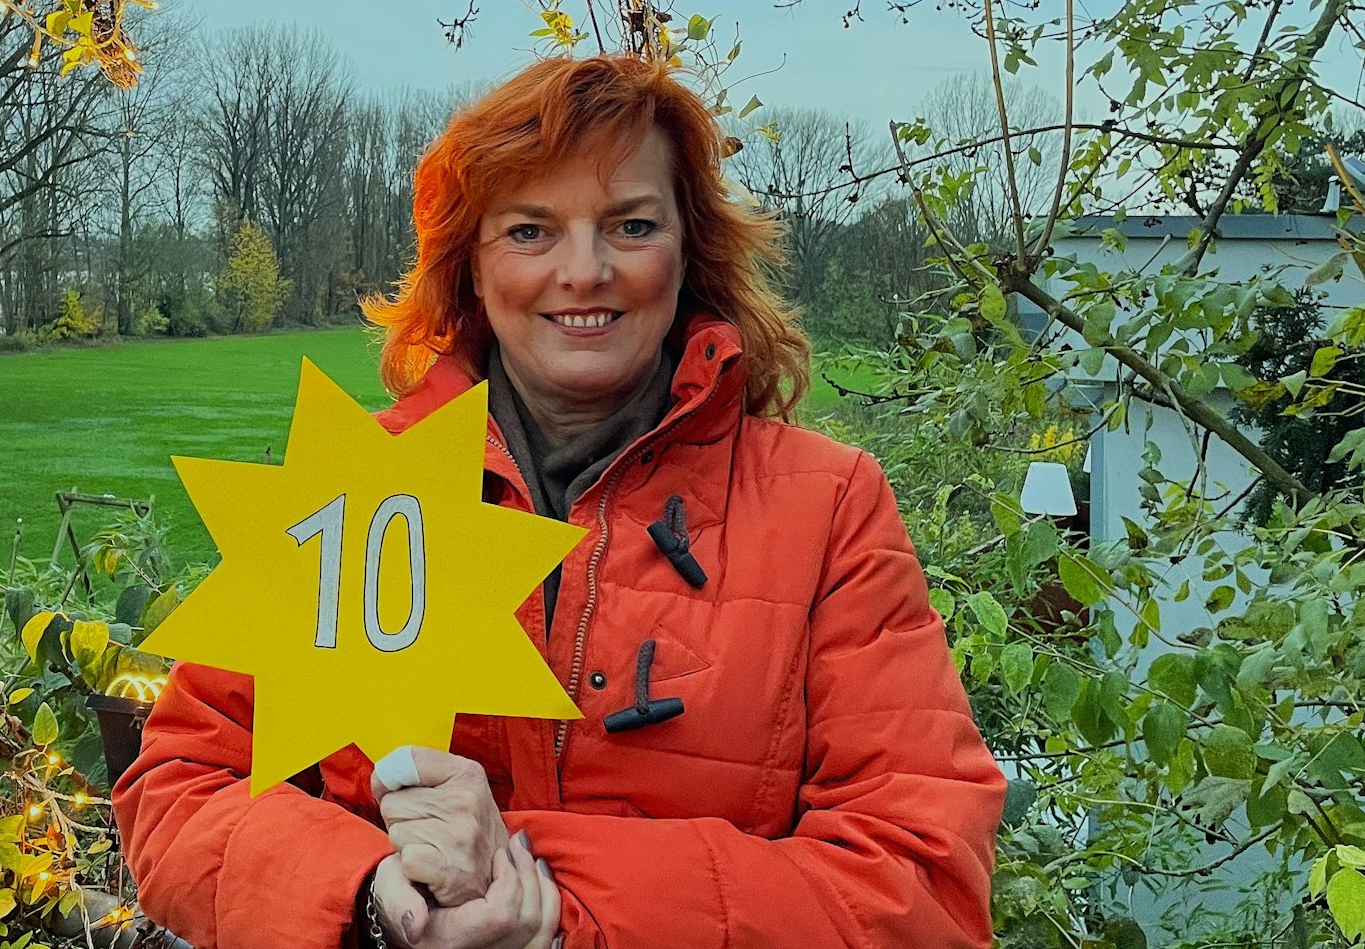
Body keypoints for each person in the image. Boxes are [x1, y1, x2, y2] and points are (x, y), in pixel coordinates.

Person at [114, 54, 1006, 948]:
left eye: (630, 225)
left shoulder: (828, 510)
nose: (584, 272)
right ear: (470, 266)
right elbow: (180, 789)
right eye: (531, 231)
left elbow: (920, 882)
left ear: (688, 249)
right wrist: (371, 901)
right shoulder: (357, 489)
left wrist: (560, 912)